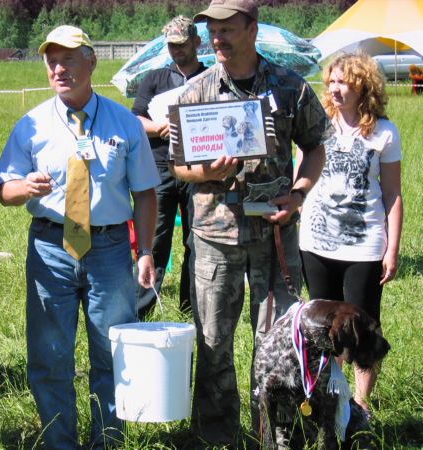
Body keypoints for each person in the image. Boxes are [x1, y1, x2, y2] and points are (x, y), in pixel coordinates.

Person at [168, 0, 329, 445]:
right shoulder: (194, 92)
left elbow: (316, 146)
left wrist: (297, 195)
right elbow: (179, 165)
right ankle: (218, 436)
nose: (217, 39)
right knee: (214, 342)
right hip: (214, 238)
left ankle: (277, 434)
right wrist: (207, 173)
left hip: (275, 236)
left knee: (279, 346)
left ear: (252, 29)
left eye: (227, 29)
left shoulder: (290, 87)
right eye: (212, 31)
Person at [0, 25, 159, 449]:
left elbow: (144, 193)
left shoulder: (124, 122)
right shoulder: (30, 124)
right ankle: (60, 443)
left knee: (112, 354)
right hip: (51, 247)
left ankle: (107, 440)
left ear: (91, 61)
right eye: (51, 59)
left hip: (110, 250)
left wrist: (145, 251)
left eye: (68, 58)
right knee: (50, 357)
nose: (58, 68)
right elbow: (4, 189)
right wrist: (23, 188)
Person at [298, 52, 403, 418]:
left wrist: (392, 248)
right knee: (324, 326)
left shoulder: (385, 133)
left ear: (363, 86)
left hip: (364, 245)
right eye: (331, 81)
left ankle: (361, 405)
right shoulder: (315, 126)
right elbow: (301, 175)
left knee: (362, 324)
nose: (334, 88)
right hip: (315, 243)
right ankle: (333, 399)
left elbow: (392, 195)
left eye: (343, 81)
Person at [132, 16, 207, 318]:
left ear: (196, 43)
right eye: (171, 45)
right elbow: (135, 119)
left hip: (200, 171)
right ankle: (143, 309)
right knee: (155, 240)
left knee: (197, 240)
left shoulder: (212, 77)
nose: (176, 50)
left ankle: (190, 308)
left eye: (182, 44)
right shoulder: (154, 78)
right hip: (160, 168)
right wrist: (158, 126)